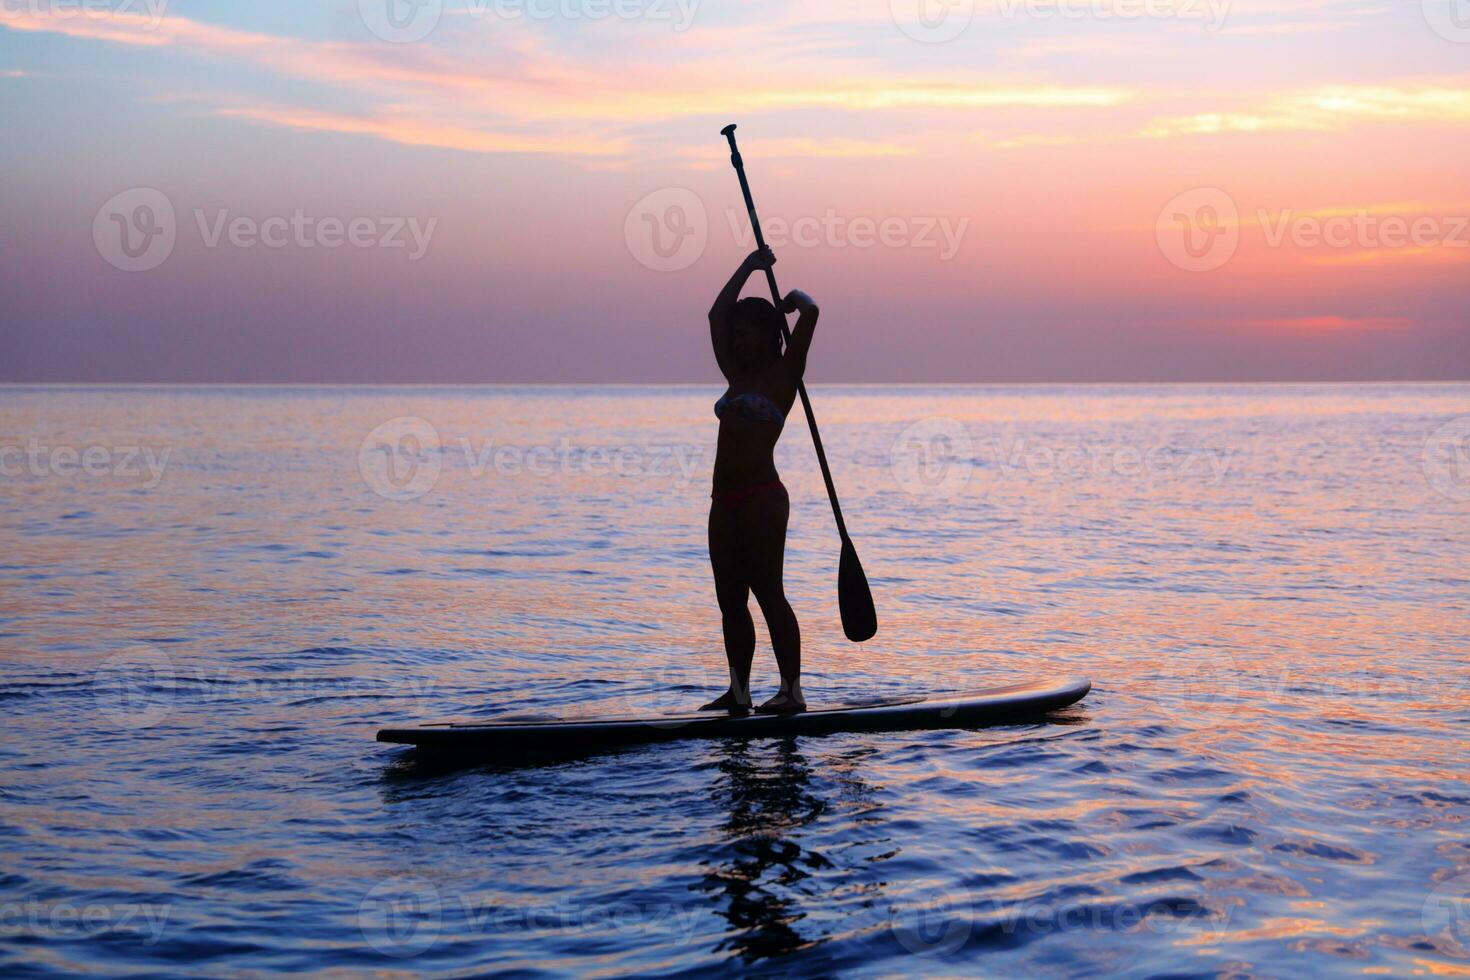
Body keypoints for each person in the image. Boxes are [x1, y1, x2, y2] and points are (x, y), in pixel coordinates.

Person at [702, 246, 819, 714]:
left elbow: (811, 310)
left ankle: (792, 691)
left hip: (763, 498)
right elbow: (715, 314)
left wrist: (791, 298)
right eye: (737, 334)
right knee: (730, 599)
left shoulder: (784, 374)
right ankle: (739, 692)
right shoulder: (734, 373)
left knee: (768, 591)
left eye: (746, 334)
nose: (737, 340)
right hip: (722, 500)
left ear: (769, 336)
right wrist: (748, 268)